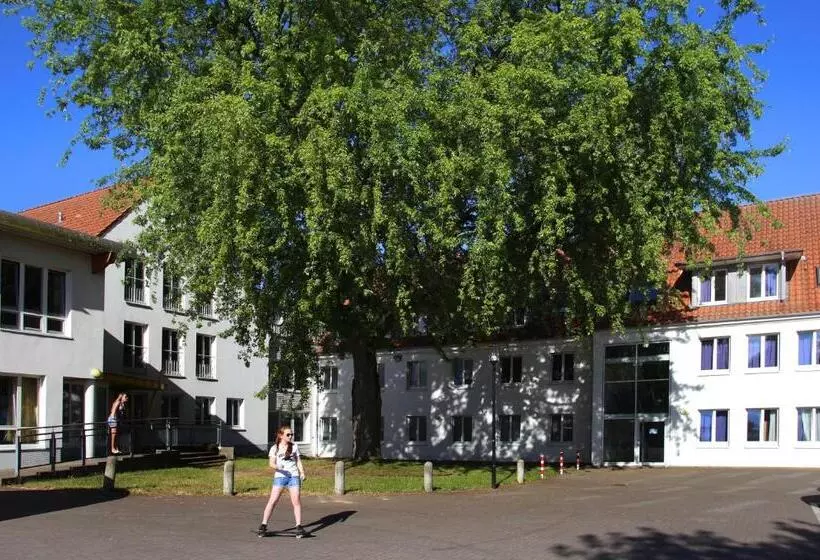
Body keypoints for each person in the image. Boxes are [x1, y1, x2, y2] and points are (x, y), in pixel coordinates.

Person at [257, 425, 307, 538]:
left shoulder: (294, 447)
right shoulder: (274, 448)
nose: (290, 436)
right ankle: (263, 525)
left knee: (296, 501)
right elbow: (271, 463)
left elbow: (298, 461)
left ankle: (298, 526)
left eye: (291, 434)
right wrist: (278, 467)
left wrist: (302, 472)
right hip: (280, 477)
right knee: (273, 501)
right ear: (281, 435)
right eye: (288, 434)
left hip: (293, 476)